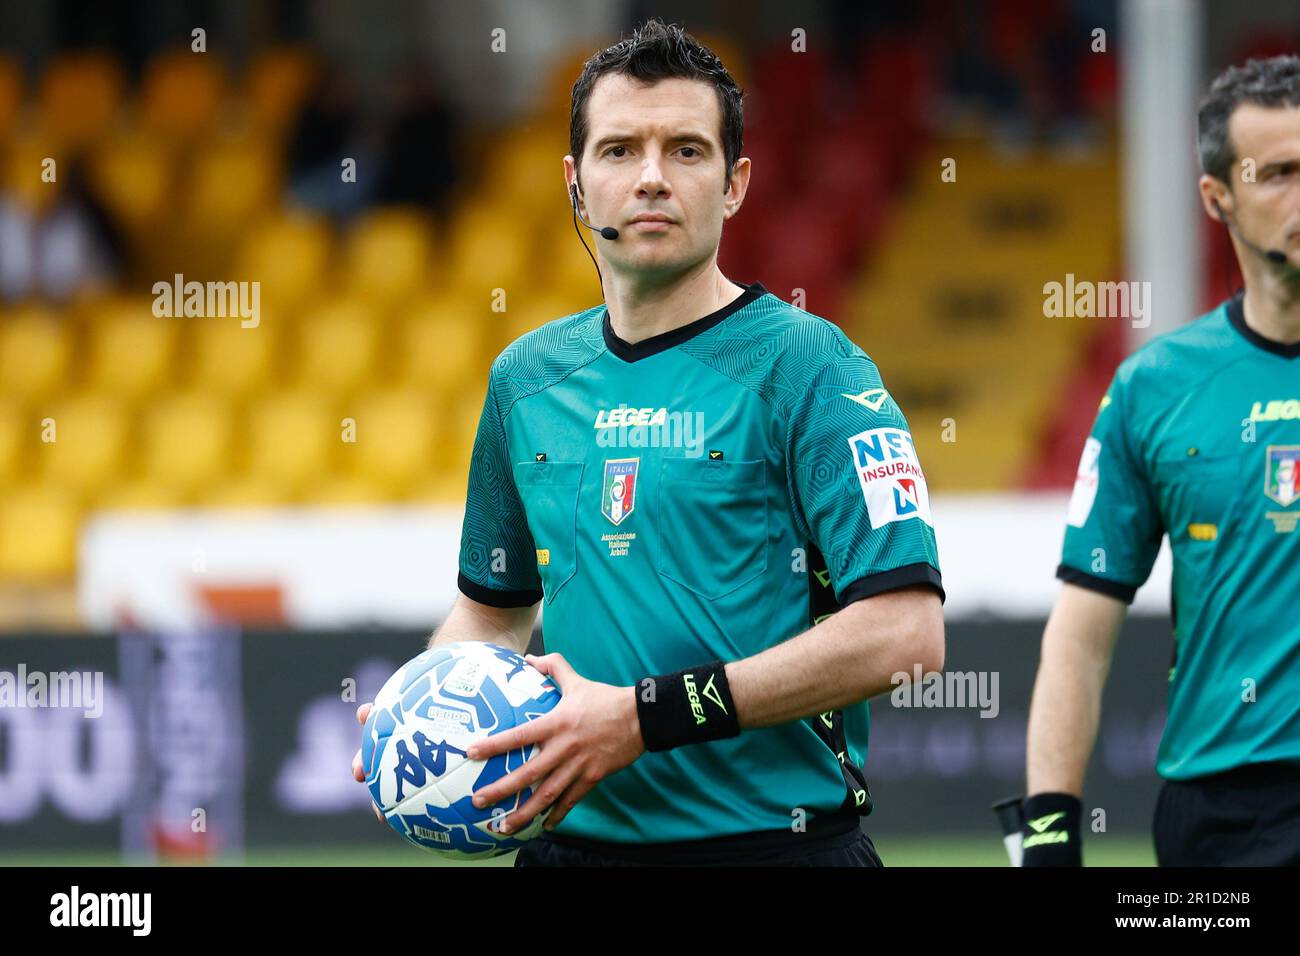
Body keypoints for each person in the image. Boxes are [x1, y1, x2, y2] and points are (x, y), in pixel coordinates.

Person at [352, 18, 944, 867]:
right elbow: (494, 606)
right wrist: (419, 710)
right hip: (569, 852)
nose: (653, 178)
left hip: (773, 850)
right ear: (576, 183)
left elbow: (904, 637)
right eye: (621, 149)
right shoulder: (525, 379)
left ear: (737, 183)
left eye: (688, 151)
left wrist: (644, 716)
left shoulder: (813, 367)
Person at [1022, 54, 1300, 867]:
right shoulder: (1154, 390)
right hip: (1224, 818)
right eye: (1278, 173)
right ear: (1219, 198)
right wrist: (1046, 831)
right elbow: (1080, 637)